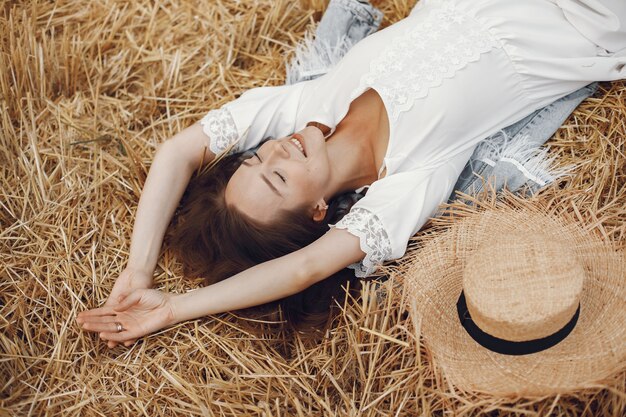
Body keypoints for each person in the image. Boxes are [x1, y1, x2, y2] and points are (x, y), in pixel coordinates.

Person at [76, 0, 626, 348]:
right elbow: (304, 268)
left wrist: (138, 269)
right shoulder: (406, 184)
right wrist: (171, 307)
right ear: (318, 212)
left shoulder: (309, 102)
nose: (278, 153)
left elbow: (178, 151)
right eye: (279, 178)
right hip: (587, 19)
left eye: (257, 157)